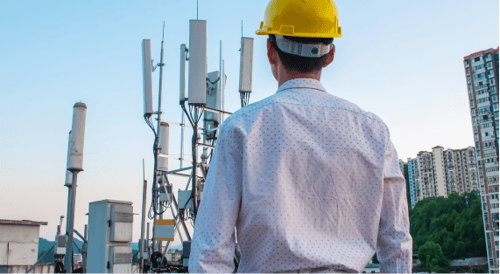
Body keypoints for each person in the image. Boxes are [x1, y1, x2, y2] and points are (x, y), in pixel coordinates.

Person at [189, 0, 413, 273]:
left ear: (271, 51)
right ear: (329, 55)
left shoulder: (241, 129)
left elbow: (209, 254)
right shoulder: (374, 132)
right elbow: (396, 242)